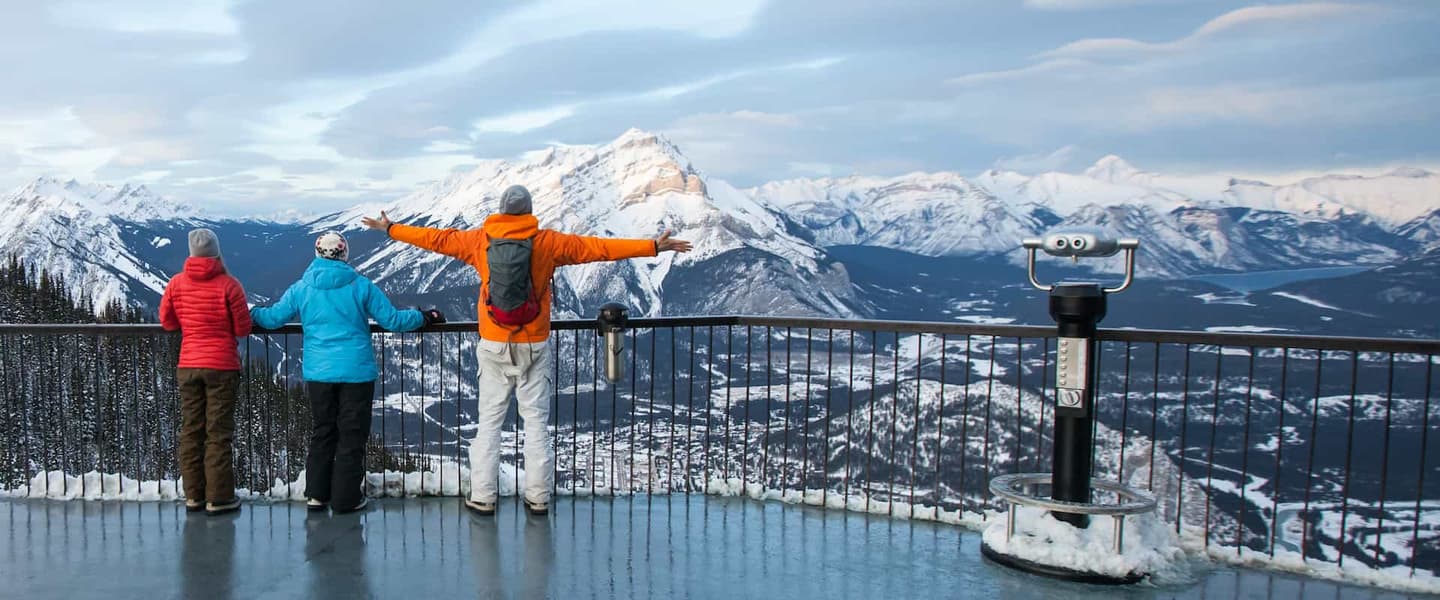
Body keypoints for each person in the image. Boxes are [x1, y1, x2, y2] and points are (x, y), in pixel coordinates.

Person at [361, 184, 692, 516]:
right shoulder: (548, 242)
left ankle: (483, 497)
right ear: (528, 211)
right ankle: (537, 497)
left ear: (502, 211)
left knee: (488, 423)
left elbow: (434, 239)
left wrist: (391, 228)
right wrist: (651, 246)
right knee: (535, 424)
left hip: (493, 344)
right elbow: (599, 248)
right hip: (533, 343)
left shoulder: (479, 240)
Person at [251, 232, 443, 514]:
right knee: (351, 436)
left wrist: (252, 312)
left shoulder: (301, 288)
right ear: (345, 255)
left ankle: (316, 495)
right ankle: (346, 498)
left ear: (316, 254)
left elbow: (272, 319)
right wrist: (425, 317)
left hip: (319, 373)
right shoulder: (361, 286)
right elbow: (392, 320)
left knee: (323, 432)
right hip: (357, 372)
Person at [160, 228, 252, 516]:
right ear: (216, 252)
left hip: (188, 365)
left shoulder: (176, 284)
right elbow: (243, 328)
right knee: (218, 433)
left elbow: (167, 321)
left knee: (191, 431)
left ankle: (194, 496)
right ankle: (219, 497)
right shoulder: (230, 285)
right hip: (222, 366)